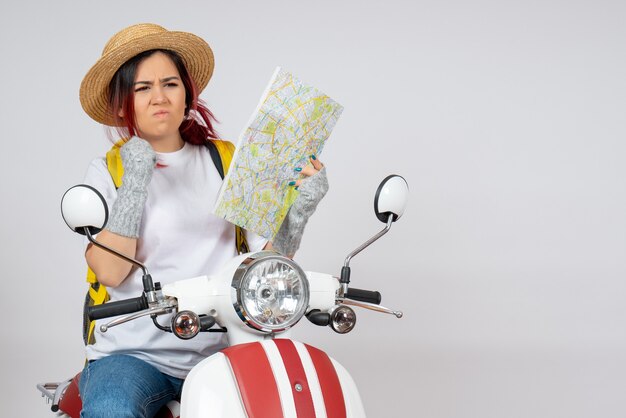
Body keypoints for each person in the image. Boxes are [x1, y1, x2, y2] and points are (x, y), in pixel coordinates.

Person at [77, 23, 328, 417]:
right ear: (124, 103)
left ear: (187, 94)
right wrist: (137, 179)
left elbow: (265, 265)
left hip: (224, 348)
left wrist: (297, 213)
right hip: (133, 356)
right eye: (143, 88)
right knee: (112, 409)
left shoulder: (225, 160)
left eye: (170, 84)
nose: (159, 97)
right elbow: (110, 271)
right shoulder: (107, 170)